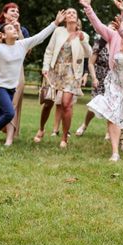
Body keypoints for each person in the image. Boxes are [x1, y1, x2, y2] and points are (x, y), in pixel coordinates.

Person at [0, 10, 67, 153]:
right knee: (9, 113)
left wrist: (55, 23)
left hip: (11, 88)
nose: (14, 28)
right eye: (10, 28)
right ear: (4, 35)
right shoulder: (0, 48)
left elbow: (40, 37)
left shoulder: (22, 45)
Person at [77, 0, 123, 161]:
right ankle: (115, 152)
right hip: (115, 82)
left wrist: (122, 17)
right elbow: (98, 25)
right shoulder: (113, 36)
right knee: (114, 113)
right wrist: (88, 8)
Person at [34, 8, 92, 148]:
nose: (71, 14)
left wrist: (83, 41)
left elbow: (88, 53)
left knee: (66, 104)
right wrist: (45, 67)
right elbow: (49, 50)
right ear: (65, 18)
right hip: (55, 70)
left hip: (71, 73)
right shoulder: (58, 31)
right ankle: (41, 129)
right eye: (68, 13)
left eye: (74, 13)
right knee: (48, 102)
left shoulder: (83, 35)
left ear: (77, 18)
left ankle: (65, 137)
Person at [0, 3, 30, 146]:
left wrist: (18, 31)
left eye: (18, 11)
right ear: (5, 13)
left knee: (12, 104)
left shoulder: (23, 30)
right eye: (12, 10)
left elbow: (27, 51)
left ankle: (10, 137)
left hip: (17, 70)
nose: (16, 13)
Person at [74, 20, 117, 139]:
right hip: (99, 77)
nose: (111, 31)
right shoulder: (99, 43)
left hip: (114, 79)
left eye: (114, 29)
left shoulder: (119, 44)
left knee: (111, 106)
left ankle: (109, 131)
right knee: (95, 105)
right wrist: (93, 78)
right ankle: (84, 125)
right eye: (109, 28)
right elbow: (91, 63)